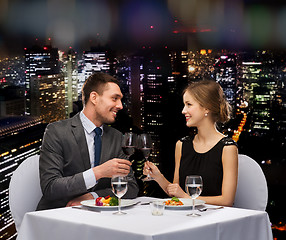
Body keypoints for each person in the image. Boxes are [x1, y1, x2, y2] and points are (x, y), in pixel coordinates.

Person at [37, 72, 139, 210]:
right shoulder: (57, 132)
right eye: (115, 98)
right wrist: (98, 173)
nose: (120, 105)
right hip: (59, 217)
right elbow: (50, 187)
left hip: (99, 220)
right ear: (94, 97)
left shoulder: (116, 137)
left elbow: (131, 187)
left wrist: (94, 196)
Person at [144, 80, 238, 206]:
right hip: (186, 217)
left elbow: (226, 200)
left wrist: (186, 197)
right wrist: (157, 176)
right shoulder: (181, 145)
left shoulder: (228, 148)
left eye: (189, 105)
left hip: (214, 220)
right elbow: (176, 193)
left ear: (207, 107)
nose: (183, 111)